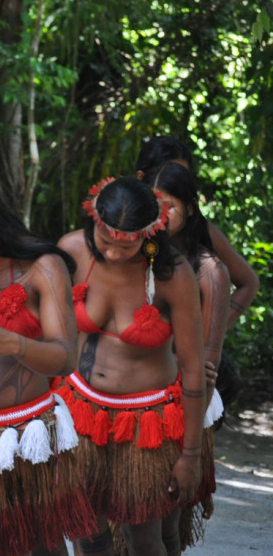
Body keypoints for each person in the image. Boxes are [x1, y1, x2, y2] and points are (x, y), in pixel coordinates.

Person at [56, 177, 205, 556]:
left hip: (147, 422)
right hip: (80, 414)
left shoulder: (173, 275)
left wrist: (190, 455)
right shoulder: (71, 250)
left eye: (128, 246)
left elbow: (192, 367)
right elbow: (50, 336)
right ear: (93, 222)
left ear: (150, 232)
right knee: (87, 533)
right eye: (105, 243)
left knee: (143, 538)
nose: (115, 255)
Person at [0, 174, 94, 556]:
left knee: (40, 543)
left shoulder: (41, 266)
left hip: (26, 431)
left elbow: (65, 357)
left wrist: (11, 342)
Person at [145, 162, 230, 549]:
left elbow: (204, 372)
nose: (160, 216)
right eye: (153, 205)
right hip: (131, 405)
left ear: (191, 209)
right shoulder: (134, 254)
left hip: (182, 407)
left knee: (164, 528)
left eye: (170, 207)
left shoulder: (209, 272)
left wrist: (191, 452)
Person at [134, 136, 258, 329]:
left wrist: (208, 337)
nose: (174, 180)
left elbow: (248, 283)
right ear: (142, 178)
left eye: (181, 175)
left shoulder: (201, 230)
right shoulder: (123, 227)